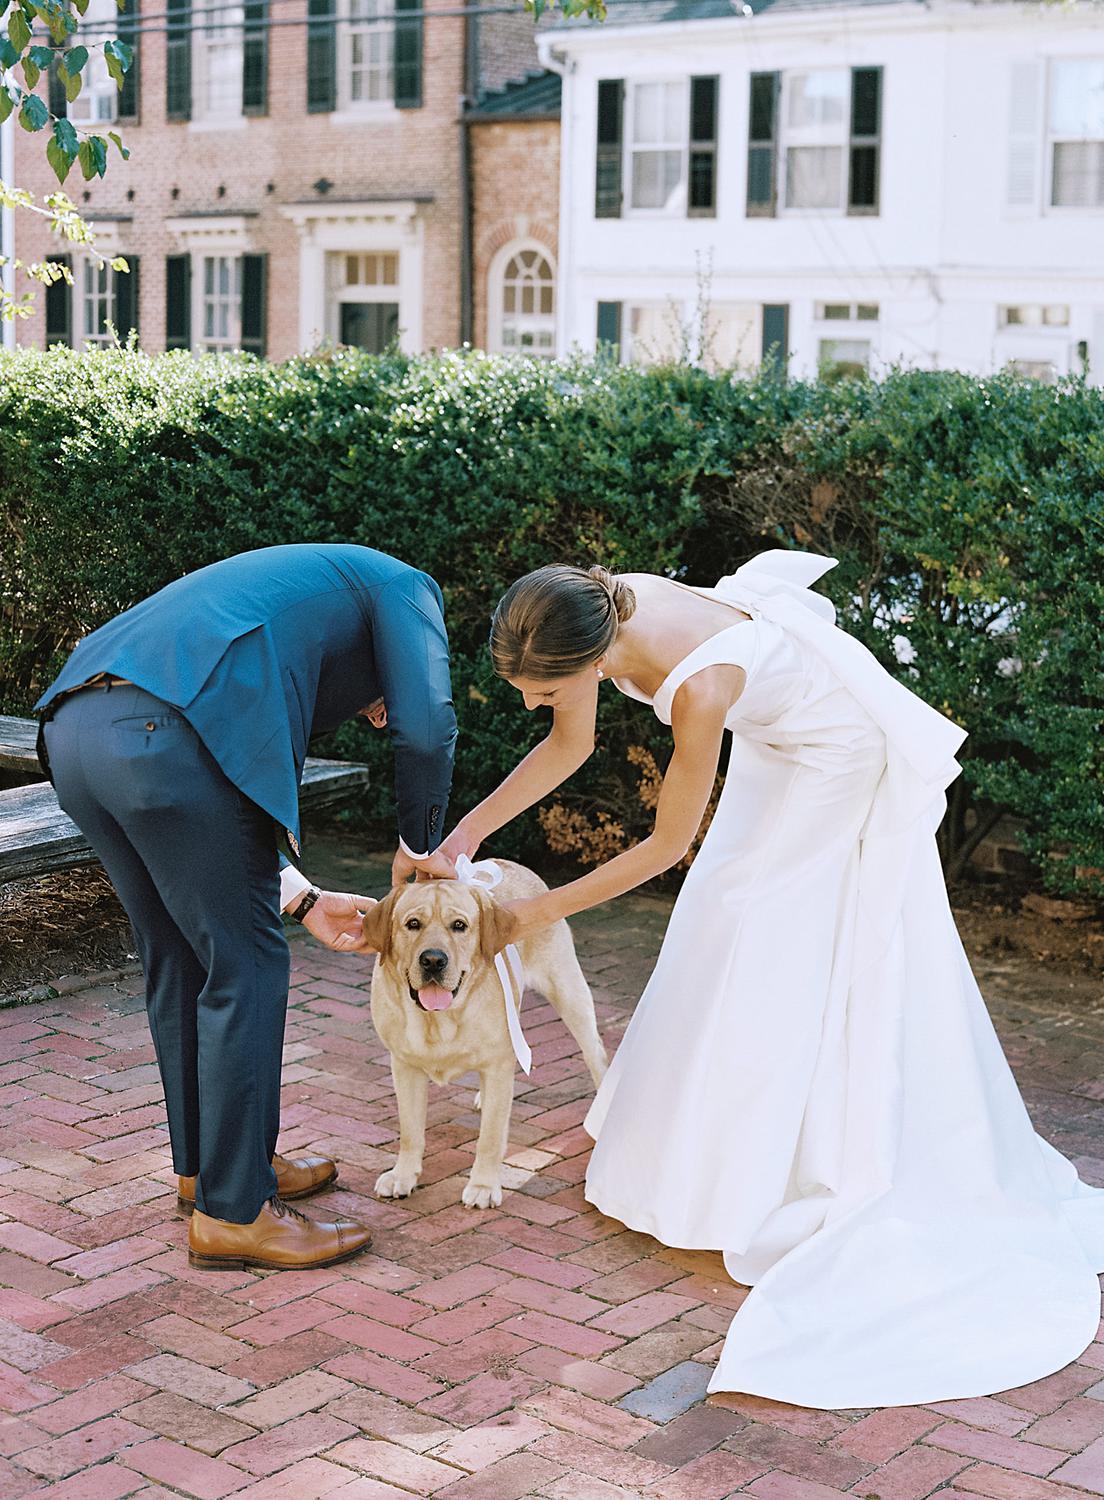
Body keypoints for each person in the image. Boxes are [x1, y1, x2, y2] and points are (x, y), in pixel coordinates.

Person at [438, 549, 1104, 1409]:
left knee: (756, 925)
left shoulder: (702, 687)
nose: (532, 704)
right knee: (722, 912)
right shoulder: (598, 606)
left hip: (834, 757)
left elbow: (666, 846)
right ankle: (691, 1147)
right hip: (776, 737)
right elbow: (570, 741)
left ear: (595, 659)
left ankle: (774, 1163)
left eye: (542, 688)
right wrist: (461, 844)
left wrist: (530, 916)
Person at [37, 543, 457, 1271]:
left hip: (75, 734)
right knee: (248, 967)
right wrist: (422, 853)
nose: (381, 718)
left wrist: (305, 899)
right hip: (166, 735)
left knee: (179, 956)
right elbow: (427, 724)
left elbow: (223, 812)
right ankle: (236, 1214)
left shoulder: (295, 596)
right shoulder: (406, 587)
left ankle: (215, 1170)